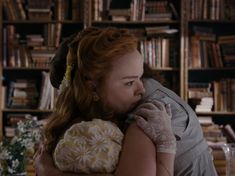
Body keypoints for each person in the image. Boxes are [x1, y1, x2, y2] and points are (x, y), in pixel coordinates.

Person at [33, 27, 217, 176]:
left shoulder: (151, 114)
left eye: (138, 78)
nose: (141, 88)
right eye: (130, 82)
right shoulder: (114, 109)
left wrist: (50, 172)